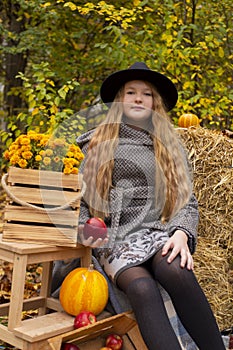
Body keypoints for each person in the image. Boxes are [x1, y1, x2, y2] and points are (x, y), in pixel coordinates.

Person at [76, 62, 225, 350]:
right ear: (120, 101)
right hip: (115, 238)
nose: (138, 98)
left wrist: (181, 232)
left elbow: (185, 198)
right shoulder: (99, 142)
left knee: (175, 270)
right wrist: (86, 227)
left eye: (146, 94)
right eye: (130, 92)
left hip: (158, 230)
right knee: (142, 288)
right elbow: (80, 199)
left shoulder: (168, 145)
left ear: (155, 102)